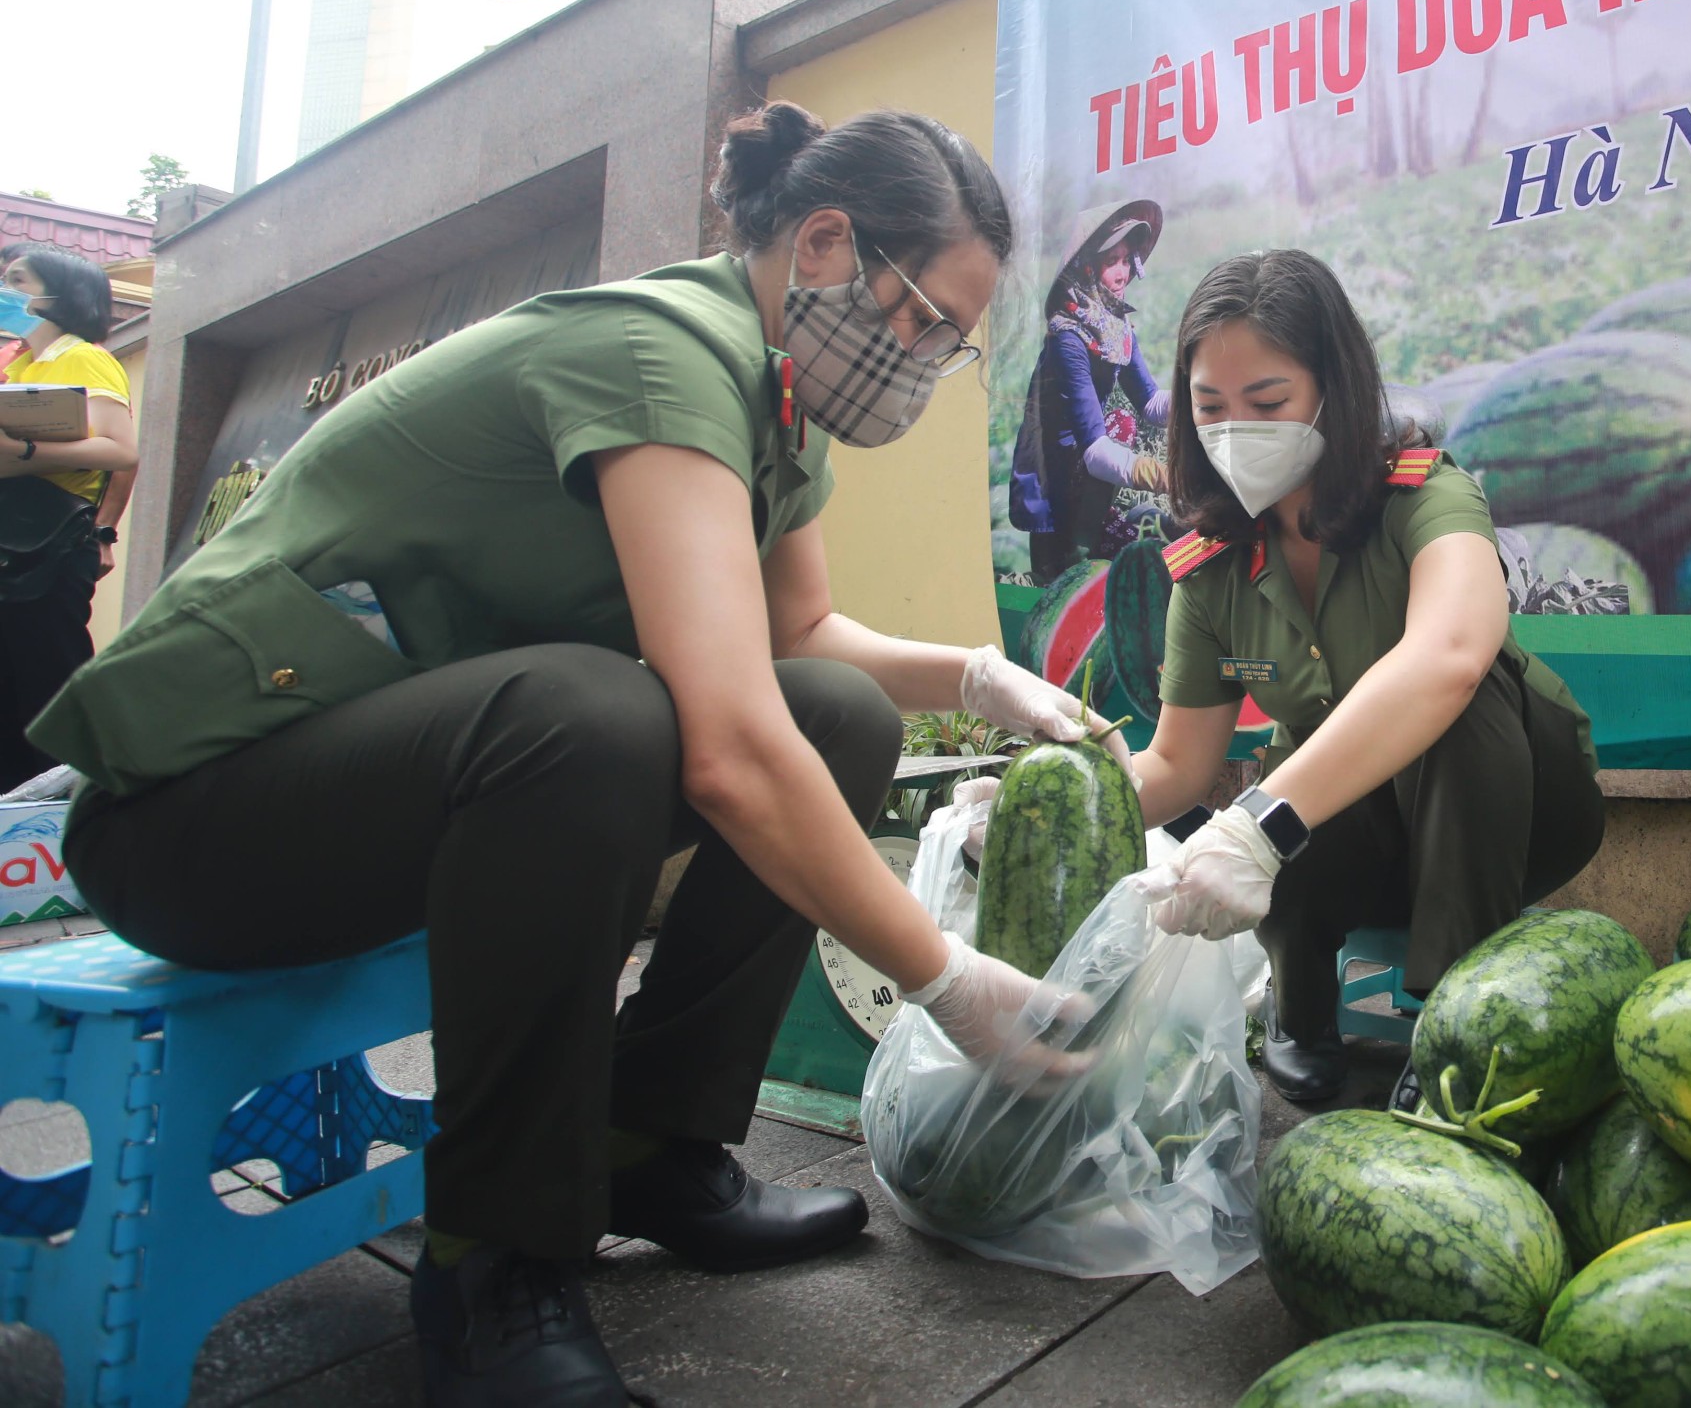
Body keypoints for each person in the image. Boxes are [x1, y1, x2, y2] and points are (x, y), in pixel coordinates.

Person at [31, 106, 1128, 1407]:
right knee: (589, 716)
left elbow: (801, 634)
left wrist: (972, 675)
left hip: (380, 800)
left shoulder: (777, 404)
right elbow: (722, 744)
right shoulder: (660, 353)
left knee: (838, 714)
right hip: (190, 818)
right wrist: (944, 973)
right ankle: (494, 1260)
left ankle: (652, 1145)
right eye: (926, 321)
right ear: (828, 243)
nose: (927, 359)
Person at [1126, 249, 1606, 1105]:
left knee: (1450, 704)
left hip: (1519, 810)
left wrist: (1257, 828)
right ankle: (1299, 1008)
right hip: (1363, 839)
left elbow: (1451, 656)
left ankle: (1457, 1020)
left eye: (1267, 401)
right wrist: (1047, 801)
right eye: (1210, 406)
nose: (1236, 427)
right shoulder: (1209, 568)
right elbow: (1176, 767)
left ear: (1332, 391)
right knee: (1287, 782)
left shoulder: (1426, 497)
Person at [0, 248, 137, 790]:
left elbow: (121, 451)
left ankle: (70, 808)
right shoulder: (22, 363)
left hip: (50, 546)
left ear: (60, 294)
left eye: (17, 280)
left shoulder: (84, 358)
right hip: (17, 543)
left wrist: (26, 455)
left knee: (46, 686)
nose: (5, 290)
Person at [1007, 201, 1173, 582]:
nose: (1122, 272)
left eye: (1126, 260)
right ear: (1087, 267)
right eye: (1110, 261)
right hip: (1057, 471)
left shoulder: (1116, 327)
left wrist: (1204, 401)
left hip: (1090, 464)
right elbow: (1096, 448)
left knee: (1101, 571)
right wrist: (1168, 478)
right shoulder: (1069, 337)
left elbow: (1149, 403)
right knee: (1060, 582)